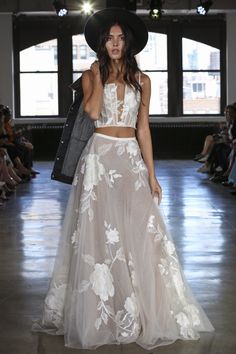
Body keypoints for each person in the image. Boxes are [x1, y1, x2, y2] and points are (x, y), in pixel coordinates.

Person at [32, 8, 214, 350]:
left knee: (141, 230)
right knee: (99, 235)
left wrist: (153, 174)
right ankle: (105, 310)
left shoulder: (143, 80)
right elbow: (92, 110)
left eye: (120, 38)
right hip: (99, 157)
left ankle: (143, 309)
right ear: (102, 43)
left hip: (129, 158)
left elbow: (143, 128)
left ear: (127, 42)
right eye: (109, 38)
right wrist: (98, 75)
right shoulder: (91, 73)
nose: (115, 43)